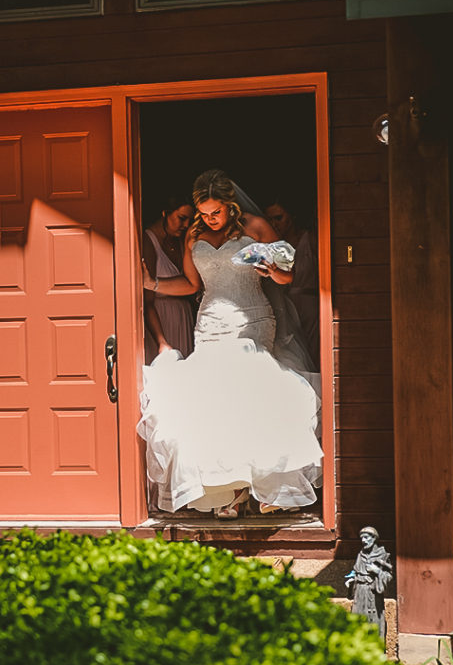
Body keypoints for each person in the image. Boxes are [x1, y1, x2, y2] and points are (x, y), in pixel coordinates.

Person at [137, 168, 323, 518]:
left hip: (252, 319)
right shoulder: (195, 235)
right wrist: (152, 283)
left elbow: (288, 276)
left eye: (216, 212)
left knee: (250, 396)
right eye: (204, 213)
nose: (210, 218)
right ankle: (229, 488)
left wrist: (271, 270)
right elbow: (193, 285)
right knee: (214, 402)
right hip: (210, 324)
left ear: (230, 205)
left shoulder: (255, 227)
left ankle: (264, 485)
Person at [264, 193, 320, 363]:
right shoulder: (272, 245)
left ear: (291, 215)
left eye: (279, 218)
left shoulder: (310, 239)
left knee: (313, 350)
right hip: (282, 306)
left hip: (308, 305)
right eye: (270, 220)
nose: (274, 224)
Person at [142, 196, 195, 364]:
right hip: (162, 318)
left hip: (184, 316)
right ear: (165, 213)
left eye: (189, 220)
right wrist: (161, 341)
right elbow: (147, 301)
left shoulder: (181, 240)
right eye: (181, 218)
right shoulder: (148, 240)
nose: (186, 225)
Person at [344, 527, 393, 642]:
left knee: (374, 620)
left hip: (373, 593)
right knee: (358, 619)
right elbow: (356, 571)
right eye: (362, 538)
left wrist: (376, 571)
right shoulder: (361, 555)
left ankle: (375, 649)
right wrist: (352, 579)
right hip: (360, 592)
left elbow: (388, 576)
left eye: (366, 538)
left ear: (374, 538)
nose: (363, 541)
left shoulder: (383, 555)